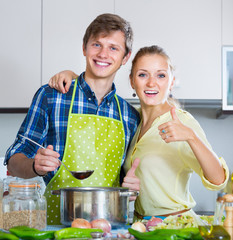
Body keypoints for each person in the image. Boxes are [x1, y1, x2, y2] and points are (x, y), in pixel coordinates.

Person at [49, 45, 229, 221]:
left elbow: (218, 179)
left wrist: (191, 137)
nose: (151, 83)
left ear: (171, 81)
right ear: (132, 81)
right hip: (140, 226)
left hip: (175, 226)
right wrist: (72, 76)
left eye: (161, 75)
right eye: (143, 75)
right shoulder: (132, 120)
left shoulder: (182, 123)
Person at [4, 13, 141, 225]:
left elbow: (126, 181)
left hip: (109, 228)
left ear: (125, 57)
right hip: (53, 227)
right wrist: (34, 166)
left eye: (113, 48)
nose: (103, 54)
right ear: (84, 48)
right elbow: (14, 160)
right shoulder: (51, 96)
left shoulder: (130, 116)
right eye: (97, 44)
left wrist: (131, 188)